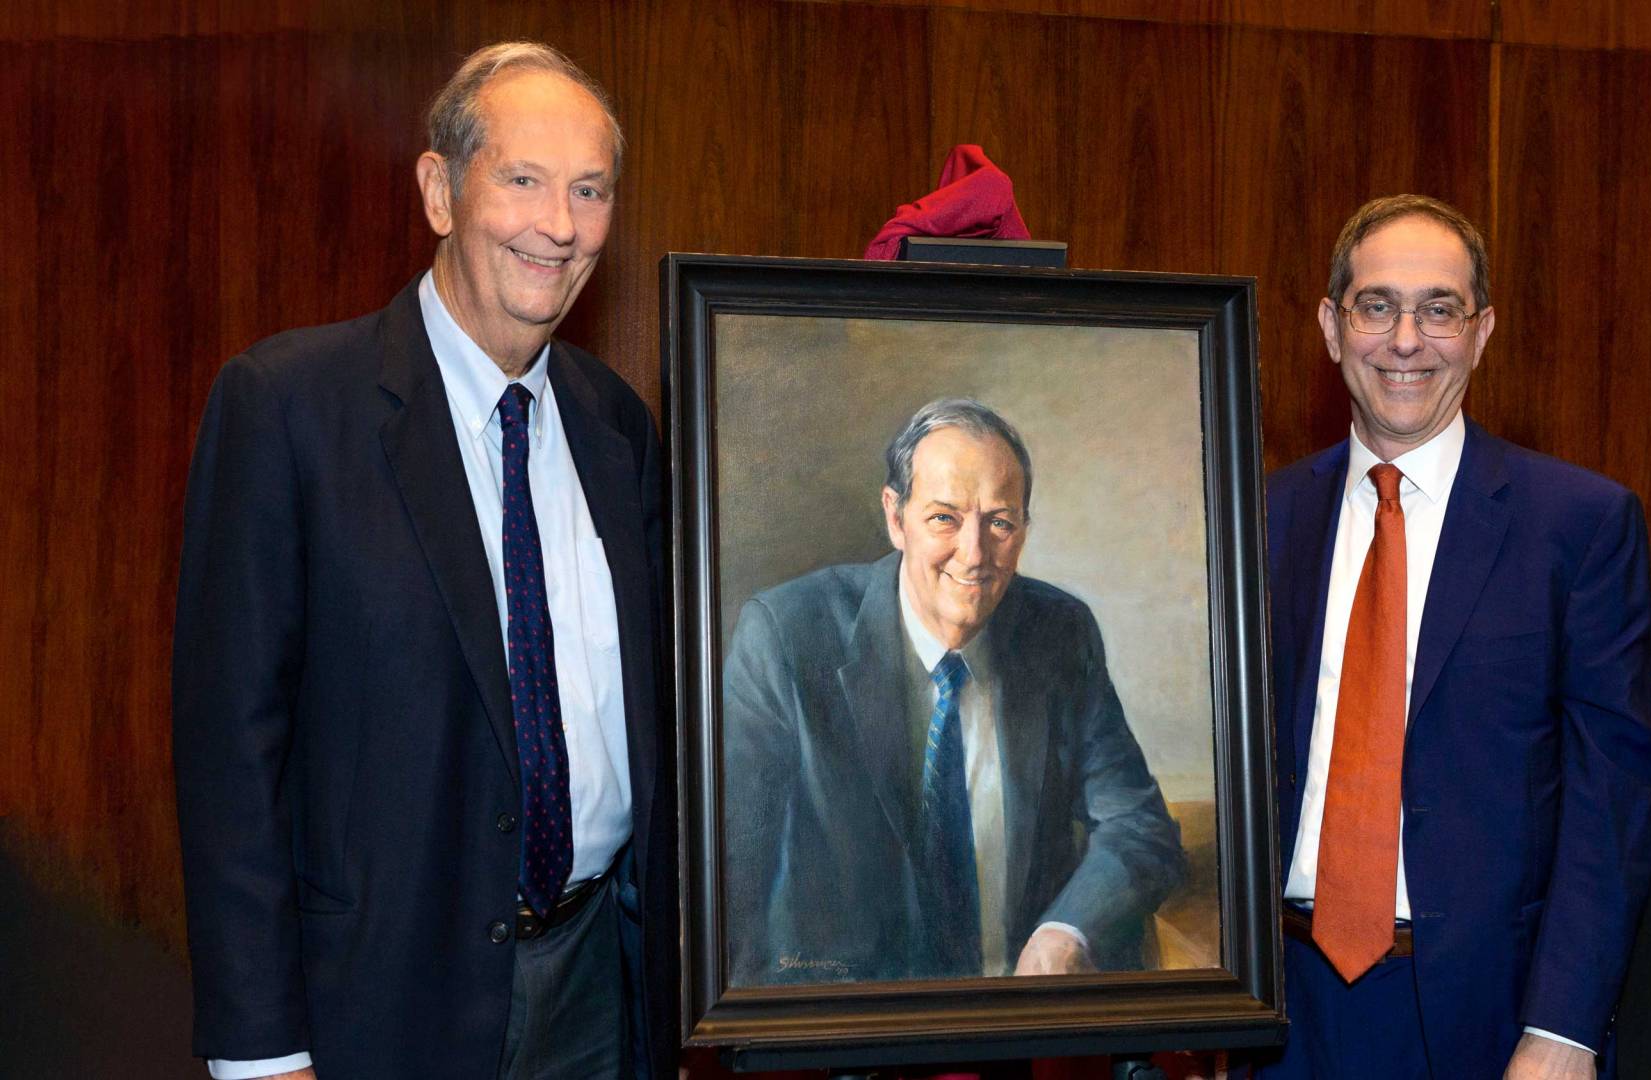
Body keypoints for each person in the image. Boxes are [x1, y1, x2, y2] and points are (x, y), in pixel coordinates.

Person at [172, 42, 674, 1080]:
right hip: (381, 1002)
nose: (562, 225)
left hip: (597, 987)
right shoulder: (290, 408)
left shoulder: (618, 427)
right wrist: (262, 1052)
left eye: (591, 190)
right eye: (524, 180)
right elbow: (231, 755)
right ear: (440, 191)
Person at [1259, 196, 1651, 1079]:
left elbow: (1614, 800)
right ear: (1332, 327)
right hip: (1279, 1015)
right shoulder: (1261, 519)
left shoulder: (1581, 526)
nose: (1406, 340)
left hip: (1485, 1024)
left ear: (1481, 333)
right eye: (1377, 306)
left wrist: (1564, 1031)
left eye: (1439, 309)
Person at [722, 398, 1185, 984]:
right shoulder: (787, 637)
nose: (975, 555)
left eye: (999, 522)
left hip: (1017, 1028)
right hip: (847, 1038)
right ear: (896, 517)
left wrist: (1065, 932)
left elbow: (1138, 825)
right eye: (945, 517)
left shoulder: (1059, 633)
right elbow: (731, 877)